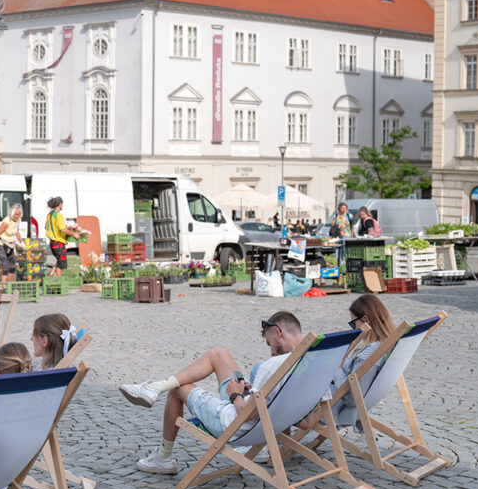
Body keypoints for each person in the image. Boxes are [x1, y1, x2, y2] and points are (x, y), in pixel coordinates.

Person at [118, 311, 304, 474]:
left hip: (236, 425)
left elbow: (249, 414)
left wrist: (235, 395)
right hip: (264, 420)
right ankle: (155, 387)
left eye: (270, 344)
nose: (271, 352)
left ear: (279, 332)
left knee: (177, 389)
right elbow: (306, 419)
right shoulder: (314, 363)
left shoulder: (272, 366)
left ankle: (162, 458)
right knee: (219, 354)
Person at [329, 294, 395, 427]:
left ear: (365, 319)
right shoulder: (387, 345)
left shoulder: (370, 354)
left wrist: (337, 368)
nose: (353, 328)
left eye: (353, 323)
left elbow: (352, 398)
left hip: (332, 405)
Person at [45, 197, 81, 277]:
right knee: (61, 265)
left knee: (59, 259)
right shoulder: (58, 215)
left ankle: (51, 274)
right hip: (58, 243)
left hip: (52, 242)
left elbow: (48, 227)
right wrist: (74, 234)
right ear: (60, 204)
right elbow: (63, 230)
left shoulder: (50, 215)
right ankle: (58, 283)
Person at [0, 204, 22, 283]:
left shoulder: (18, 220)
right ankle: (3, 286)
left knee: (12, 266)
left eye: (18, 214)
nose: (16, 216)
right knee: (5, 266)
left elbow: (16, 231)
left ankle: (10, 286)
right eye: (14, 214)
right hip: (0, 244)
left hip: (10, 245)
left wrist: (22, 241)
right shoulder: (6, 222)